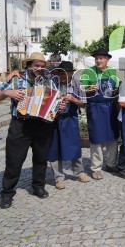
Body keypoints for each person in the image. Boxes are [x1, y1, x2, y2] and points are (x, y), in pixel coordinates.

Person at [0, 52, 55, 209]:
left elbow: (56, 100)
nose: (39, 68)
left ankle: (38, 186)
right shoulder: (16, 79)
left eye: (42, 66)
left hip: (42, 125)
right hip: (20, 125)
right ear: (29, 65)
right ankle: (7, 193)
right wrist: (7, 92)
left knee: (41, 158)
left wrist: (59, 105)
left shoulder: (49, 81)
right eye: (36, 65)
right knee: (14, 160)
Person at [48, 61, 90, 190]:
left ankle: (79, 172)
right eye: (60, 72)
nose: (62, 75)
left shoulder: (78, 84)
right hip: (54, 119)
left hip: (71, 118)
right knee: (55, 148)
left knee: (75, 145)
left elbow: (84, 103)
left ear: (71, 73)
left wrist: (74, 99)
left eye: (65, 72)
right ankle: (59, 178)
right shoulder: (53, 83)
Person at [80, 48, 119, 180]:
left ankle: (111, 164)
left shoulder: (112, 71)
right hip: (95, 108)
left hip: (110, 107)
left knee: (113, 137)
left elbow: (116, 89)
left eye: (101, 58)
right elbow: (80, 91)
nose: (98, 60)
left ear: (107, 60)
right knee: (96, 138)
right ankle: (96, 168)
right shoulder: (88, 72)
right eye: (97, 58)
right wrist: (89, 88)